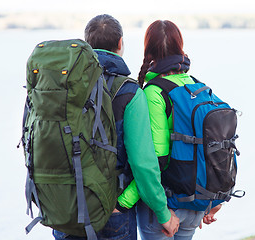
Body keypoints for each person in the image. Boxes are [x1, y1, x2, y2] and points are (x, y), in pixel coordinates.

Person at [52, 14, 179, 240]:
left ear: (86, 44)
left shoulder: (60, 85)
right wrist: (162, 213)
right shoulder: (129, 92)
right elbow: (144, 164)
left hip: (66, 207)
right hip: (111, 210)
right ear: (120, 43)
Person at [136, 20, 222, 240]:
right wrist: (214, 201)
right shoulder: (196, 86)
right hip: (195, 204)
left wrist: (123, 201)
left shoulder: (154, 93)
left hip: (164, 208)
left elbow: (156, 159)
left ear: (148, 50)